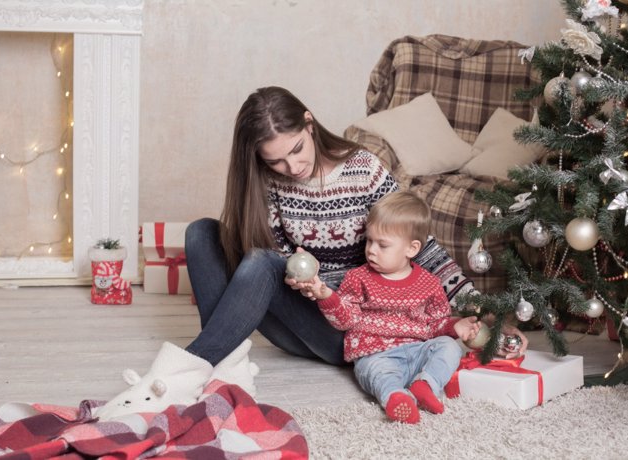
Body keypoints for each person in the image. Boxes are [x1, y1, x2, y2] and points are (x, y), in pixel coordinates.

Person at [182, 86, 527, 391]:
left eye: (297, 149)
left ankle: (189, 369)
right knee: (201, 232)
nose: (293, 166)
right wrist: (299, 278)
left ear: (309, 123)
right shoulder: (266, 182)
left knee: (259, 261)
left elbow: (423, 249)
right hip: (299, 316)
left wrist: (487, 314)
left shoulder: (364, 170)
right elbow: (273, 264)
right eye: (276, 161)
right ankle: (221, 363)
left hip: (351, 328)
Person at [299, 191, 479, 423]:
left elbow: (435, 325)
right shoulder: (358, 278)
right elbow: (345, 320)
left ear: (411, 249)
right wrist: (326, 295)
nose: (371, 250)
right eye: (369, 241)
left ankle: (426, 385)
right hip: (376, 355)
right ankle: (395, 397)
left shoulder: (430, 284)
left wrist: (456, 327)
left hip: (416, 351)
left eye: (382, 245)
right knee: (379, 375)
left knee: (448, 348)